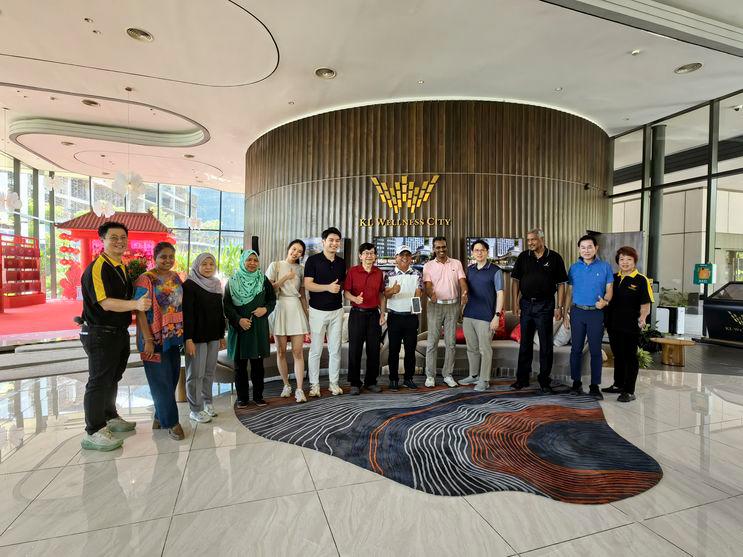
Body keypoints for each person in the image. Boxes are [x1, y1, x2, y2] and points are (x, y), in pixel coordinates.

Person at [79, 221, 151, 451]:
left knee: (113, 377)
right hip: (100, 332)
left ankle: (110, 416)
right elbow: (106, 303)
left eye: (123, 237)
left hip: (118, 332)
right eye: (113, 238)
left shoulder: (120, 266)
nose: (119, 241)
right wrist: (136, 304)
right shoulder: (98, 268)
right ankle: (93, 430)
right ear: (103, 240)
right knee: (99, 381)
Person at [134, 242, 186, 440]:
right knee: (160, 381)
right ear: (154, 258)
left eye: (171, 257)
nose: (167, 260)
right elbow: (139, 311)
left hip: (172, 337)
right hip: (152, 338)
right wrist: (147, 339)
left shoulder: (175, 278)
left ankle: (159, 416)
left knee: (171, 378)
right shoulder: (145, 280)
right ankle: (172, 422)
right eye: (163, 256)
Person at [510, 228, 568, 393]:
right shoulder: (523, 257)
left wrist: (560, 306)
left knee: (546, 345)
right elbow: (515, 281)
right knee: (525, 344)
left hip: (545, 306)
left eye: (533, 240)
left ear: (542, 239)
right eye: (528, 240)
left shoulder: (555, 257)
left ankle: (544, 381)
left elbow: (561, 284)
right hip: (526, 305)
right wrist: (515, 302)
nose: (530, 243)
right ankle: (522, 379)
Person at [224, 250, 276, 407]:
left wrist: (265, 310)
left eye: (255, 260)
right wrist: (239, 320)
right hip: (240, 329)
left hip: (257, 327)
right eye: (249, 260)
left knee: (258, 365)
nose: (252, 263)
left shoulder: (263, 279)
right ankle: (242, 398)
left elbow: (272, 299)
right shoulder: (233, 281)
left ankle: (258, 396)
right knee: (240, 366)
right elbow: (226, 305)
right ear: (242, 261)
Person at [564, 235, 614, 399]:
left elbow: (609, 290)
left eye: (589, 247)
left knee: (595, 351)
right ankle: (576, 383)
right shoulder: (573, 268)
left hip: (596, 313)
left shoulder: (605, 267)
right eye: (583, 247)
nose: (586, 250)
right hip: (577, 312)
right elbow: (569, 292)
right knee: (576, 350)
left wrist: (605, 302)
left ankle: (594, 386)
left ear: (596, 248)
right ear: (579, 249)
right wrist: (565, 313)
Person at [603, 246, 653, 402]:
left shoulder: (641, 279)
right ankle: (618, 384)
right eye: (622, 259)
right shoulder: (613, 277)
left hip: (631, 325)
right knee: (618, 355)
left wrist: (643, 318)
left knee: (630, 357)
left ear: (634, 261)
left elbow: (646, 304)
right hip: (613, 324)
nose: (624, 262)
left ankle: (629, 390)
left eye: (628, 259)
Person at [183, 252, 226, 424]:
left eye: (211, 264)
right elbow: (187, 315)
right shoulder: (190, 285)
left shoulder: (216, 284)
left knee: (209, 372)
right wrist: (188, 339)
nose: (208, 267)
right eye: (204, 264)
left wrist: (221, 335)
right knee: (196, 374)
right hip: (196, 338)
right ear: (197, 265)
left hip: (213, 335)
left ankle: (208, 402)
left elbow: (219, 312)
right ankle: (195, 408)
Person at [304, 227, 346, 397]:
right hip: (317, 311)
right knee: (316, 350)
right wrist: (328, 287)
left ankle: (333, 384)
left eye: (337, 241)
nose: (334, 243)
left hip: (336, 310)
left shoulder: (342, 262)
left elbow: (342, 285)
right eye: (331, 240)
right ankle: (314, 385)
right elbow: (308, 285)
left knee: (335, 349)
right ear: (323, 242)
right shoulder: (313, 261)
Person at [266, 240, 310, 403]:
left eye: (299, 251)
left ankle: (299, 389)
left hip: (296, 307)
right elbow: (269, 289)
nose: (296, 253)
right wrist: (286, 277)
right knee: (281, 351)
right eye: (294, 249)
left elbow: (303, 295)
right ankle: (286, 385)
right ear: (288, 249)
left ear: (302, 254)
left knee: (298, 352)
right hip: (279, 307)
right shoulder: (275, 265)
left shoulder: (302, 269)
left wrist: (307, 314)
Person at [458, 239, 504, 392]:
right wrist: (463, 308)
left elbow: (500, 294)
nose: (479, 252)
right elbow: (467, 292)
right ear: (472, 253)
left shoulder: (496, 270)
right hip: (469, 315)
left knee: (485, 349)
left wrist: (497, 315)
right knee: (471, 348)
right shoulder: (470, 269)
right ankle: (473, 375)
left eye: (482, 250)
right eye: (476, 250)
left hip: (486, 317)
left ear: (487, 252)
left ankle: (484, 380)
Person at [423, 236, 468, 388]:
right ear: (434, 249)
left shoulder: (456, 263)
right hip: (435, 306)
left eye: (443, 247)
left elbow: (462, 281)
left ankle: (448, 375)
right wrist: (431, 294)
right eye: (438, 247)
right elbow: (427, 284)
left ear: (446, 247)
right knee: (432, 342)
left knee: (451, 343)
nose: (441, 250)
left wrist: (464, 292)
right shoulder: (428, 265)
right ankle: (430, 376)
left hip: (453, 306)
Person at [344, 242, 386, 394]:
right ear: (360, 256)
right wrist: (354, 299)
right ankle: (355, 383)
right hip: (357, 314)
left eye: (372, 253)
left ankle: (371, 381)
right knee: (354, 349)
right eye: (366, 253)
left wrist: (382, 313)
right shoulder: (353, 271)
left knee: (374, 350)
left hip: (374, 315)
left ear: (375, 256)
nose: (369, 255)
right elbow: (346, 292)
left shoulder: (379, 272)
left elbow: (381, 294)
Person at [384, 245, 423, 390]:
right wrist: (392, 291)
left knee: (410, 350)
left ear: (411, 258)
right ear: (396, 257)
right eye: (402, 255)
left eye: (407, 254)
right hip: (394, 316)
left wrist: (416, 309)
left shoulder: (417, 273)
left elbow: (419, 292)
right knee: (393, 350)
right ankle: (393, 379)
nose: (405, 257)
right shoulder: (389, 274)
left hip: (411, 317)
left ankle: (408, 378)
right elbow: (385, 294)